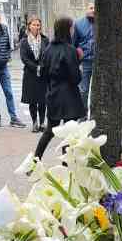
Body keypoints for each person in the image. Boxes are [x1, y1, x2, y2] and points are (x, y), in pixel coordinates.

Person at [34, 16, 83, 159]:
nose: (73, 30)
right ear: (67, 30)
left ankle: (36, 159)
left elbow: (42, 73)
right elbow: (76, 78)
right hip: (69, 96)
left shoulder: (48, 49)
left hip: (53, 93)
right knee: (68, 133)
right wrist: (78, 61)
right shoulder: (71, 50)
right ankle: (66, 163)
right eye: (71, 28)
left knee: (50, 130)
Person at [0, 10, 26, 128]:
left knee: (8, 92)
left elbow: (8, 45)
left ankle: (13, 118)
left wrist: (7, 56)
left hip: (3, 66)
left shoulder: (4, 29)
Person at [20, 16, 49, 133]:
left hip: (43, 74)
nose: (36, 27)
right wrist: (35, 67)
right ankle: (34, 122)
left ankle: (42, 122)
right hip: (30, 74)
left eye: (38, 25)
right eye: (34, 25)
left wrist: (41, 67)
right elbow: (24, 58)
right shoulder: (24, 41)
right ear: (29, 26)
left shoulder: (45, 40)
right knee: (32, 100)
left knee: (43, 100)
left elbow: (47, 55)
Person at [73, 3, 96, 116]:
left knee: (97, 91)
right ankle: (83, 115)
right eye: (91, 8)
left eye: (95, 8)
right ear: (86, 9)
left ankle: (95, 116)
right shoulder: (78, 24)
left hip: (99, 62)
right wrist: (78, 56)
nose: (93, 10)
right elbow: (74, 43)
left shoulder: (103, 23)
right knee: (83, 90)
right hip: (85, 62)